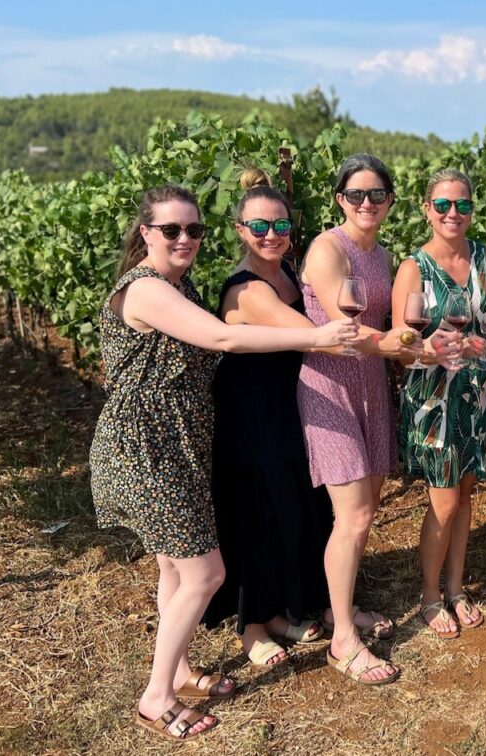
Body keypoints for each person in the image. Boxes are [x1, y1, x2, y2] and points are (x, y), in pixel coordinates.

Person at [89, 185, 358, 741]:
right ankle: (156, 695)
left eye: (193, 230)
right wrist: (318, 336)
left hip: (171, 442)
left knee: (173, 567)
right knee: (206, 572)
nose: (185, 238)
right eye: (171, 230)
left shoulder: (171, 284)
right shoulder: (145, 289)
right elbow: (220, 337)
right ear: (145, 233)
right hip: (150, 448)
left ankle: (180, 668)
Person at [298, 153, 428, 684]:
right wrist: (409, 345)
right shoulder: (328, 249)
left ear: (391, 201)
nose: (367, 203)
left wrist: (417, 344)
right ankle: (343, 643)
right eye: (356, 195)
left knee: (364, 511)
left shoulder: (385, 254)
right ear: (339, 200)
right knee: (351, 516)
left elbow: (395, 329)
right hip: (329, 387)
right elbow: (347, 328)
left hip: (372, 384)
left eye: (377, 195)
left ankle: (339, 608)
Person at [201, 169, 334, 667]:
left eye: (279, 225)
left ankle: (279, 609)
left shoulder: (287, 275)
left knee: (291, 503)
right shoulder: (246, 289)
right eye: (259, 227)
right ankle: (252, 626)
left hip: (284, 403)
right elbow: (310, 333)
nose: (271, 235)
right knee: (257, 510)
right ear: (240, 230)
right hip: (250, 412)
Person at [391, 169, 486, 638]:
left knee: (466, 492)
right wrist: (431, 347)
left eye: (463, 205)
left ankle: (455, 588)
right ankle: (430, 596)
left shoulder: (483, 257)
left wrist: (482, 345)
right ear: (427, 210)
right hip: (433, 398)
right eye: (443, 205)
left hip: (477, 392)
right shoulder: (413, 267)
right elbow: (401, 345)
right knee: (445, 501)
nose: (454, 213)